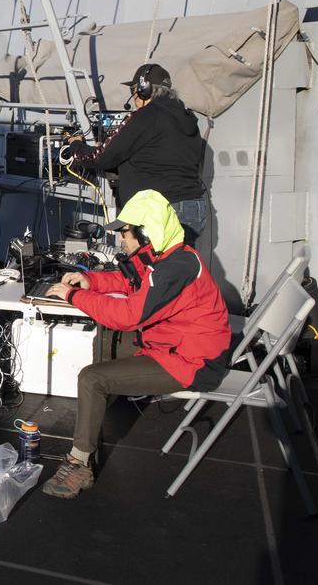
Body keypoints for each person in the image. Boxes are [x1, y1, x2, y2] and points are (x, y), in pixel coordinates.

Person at [41, 189, 231, 499]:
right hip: (175, 344)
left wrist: (73, 296)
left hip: (193, 361)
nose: (122, 241)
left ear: (147, 233)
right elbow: (132, 281)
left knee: (92, 377)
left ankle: (79, 463)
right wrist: (92, 282)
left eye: (126, 233)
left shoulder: (176, 267)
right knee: (105, 339)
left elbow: (129, 315)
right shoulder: (166, 254)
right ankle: (90, 435)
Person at [65, 63, 208, 242]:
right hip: (192, 207)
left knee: (151, 268)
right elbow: (160, 154)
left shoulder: (146, 116)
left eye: (134, 91)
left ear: (143, 89)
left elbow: (101, 158)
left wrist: (76, 146)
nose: (133, 98)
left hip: (159, 211)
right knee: (179, 266)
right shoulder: (188, 118)